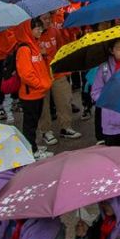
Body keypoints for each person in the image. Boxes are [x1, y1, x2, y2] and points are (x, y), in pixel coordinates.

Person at [36, 13, 80, 145]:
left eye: (50, 18)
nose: (48, 21)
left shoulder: (55, 31)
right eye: (45, 19)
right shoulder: (33, 34)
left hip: (57, 72)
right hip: (41, 75)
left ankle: (66, 127)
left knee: (65, 100)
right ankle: (45, 131)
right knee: (44, 105)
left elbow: (61, 48)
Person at [14, 18, 54, 159]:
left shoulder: (34, 46)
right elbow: (26, 74)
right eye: (36, 28)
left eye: (40, 28)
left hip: (38, 93)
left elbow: (41, 68)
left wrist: (44, 55)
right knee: (30, 124)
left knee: (34, 122)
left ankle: (33, 145)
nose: (40, 31)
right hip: (31, 94)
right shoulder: (24, 49)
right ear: (28, 30)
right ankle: (32, 150)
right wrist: (41, 84)